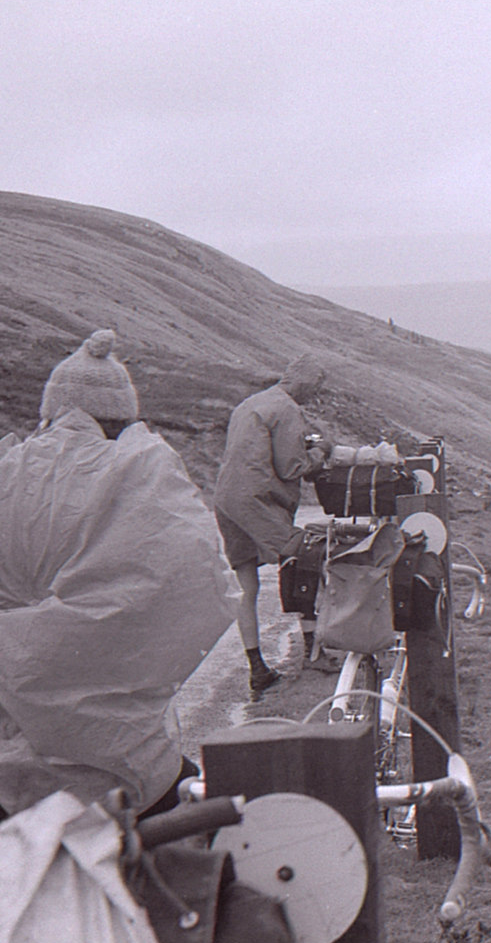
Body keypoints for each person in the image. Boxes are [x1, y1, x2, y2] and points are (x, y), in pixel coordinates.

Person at [0, 331, 235, 820]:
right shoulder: (145, 474)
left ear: (50, 413)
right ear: (124, 418)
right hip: (129, 768)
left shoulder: (10, 470)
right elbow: (200, 589)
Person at [213, 355, 331, 696]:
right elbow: (292, 467)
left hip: (227, 498)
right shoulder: (288, 408)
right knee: (303, 561)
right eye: (317, 388)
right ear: (306, 384)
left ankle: (258, 669)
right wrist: (320, 452)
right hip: (256, 500)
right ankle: (314, 653)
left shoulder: (251, 403)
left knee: (247, 586)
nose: (315, 395)